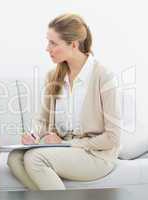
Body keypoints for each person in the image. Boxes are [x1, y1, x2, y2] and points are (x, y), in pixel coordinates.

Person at [7, 13, 121, 190]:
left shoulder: (103, 76)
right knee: (14, 158)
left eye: (53, 43)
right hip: (66, 149)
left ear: (73, 45)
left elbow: (112, 138)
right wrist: (34, 135)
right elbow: (42, 120)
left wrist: (67, 144)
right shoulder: (53, 77)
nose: (47, 48)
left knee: (35, 159)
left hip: (96, 155)